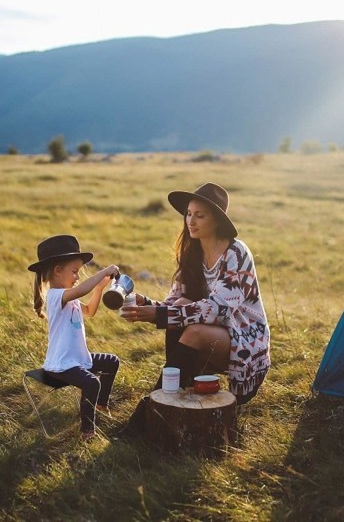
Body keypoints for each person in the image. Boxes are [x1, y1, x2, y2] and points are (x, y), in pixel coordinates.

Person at [120, 182, 270, 429]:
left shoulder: (236, 253)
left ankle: (155, 407)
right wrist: (146, 304)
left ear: (218, 221)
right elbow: (174, 302)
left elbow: (217, 308)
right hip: (212, 335)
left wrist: (158, 315)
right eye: (189, 214)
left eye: (200, 215)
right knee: (180, 305)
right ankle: (173, 393)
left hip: (243, 341)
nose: (191, 221)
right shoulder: (192, 251)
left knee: (193, 330)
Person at [29, 234, 121, 441]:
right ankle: (87, 429)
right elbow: (80, 290)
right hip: (61, 364)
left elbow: (89, 310)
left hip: (77, 358)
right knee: (91, 384)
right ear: (57, 271)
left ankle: (99, 404)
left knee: (112, 362)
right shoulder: (55, 297)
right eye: (75, 271)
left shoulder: (68, 299)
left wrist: (98, 289)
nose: (77, 277)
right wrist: (104, 272)